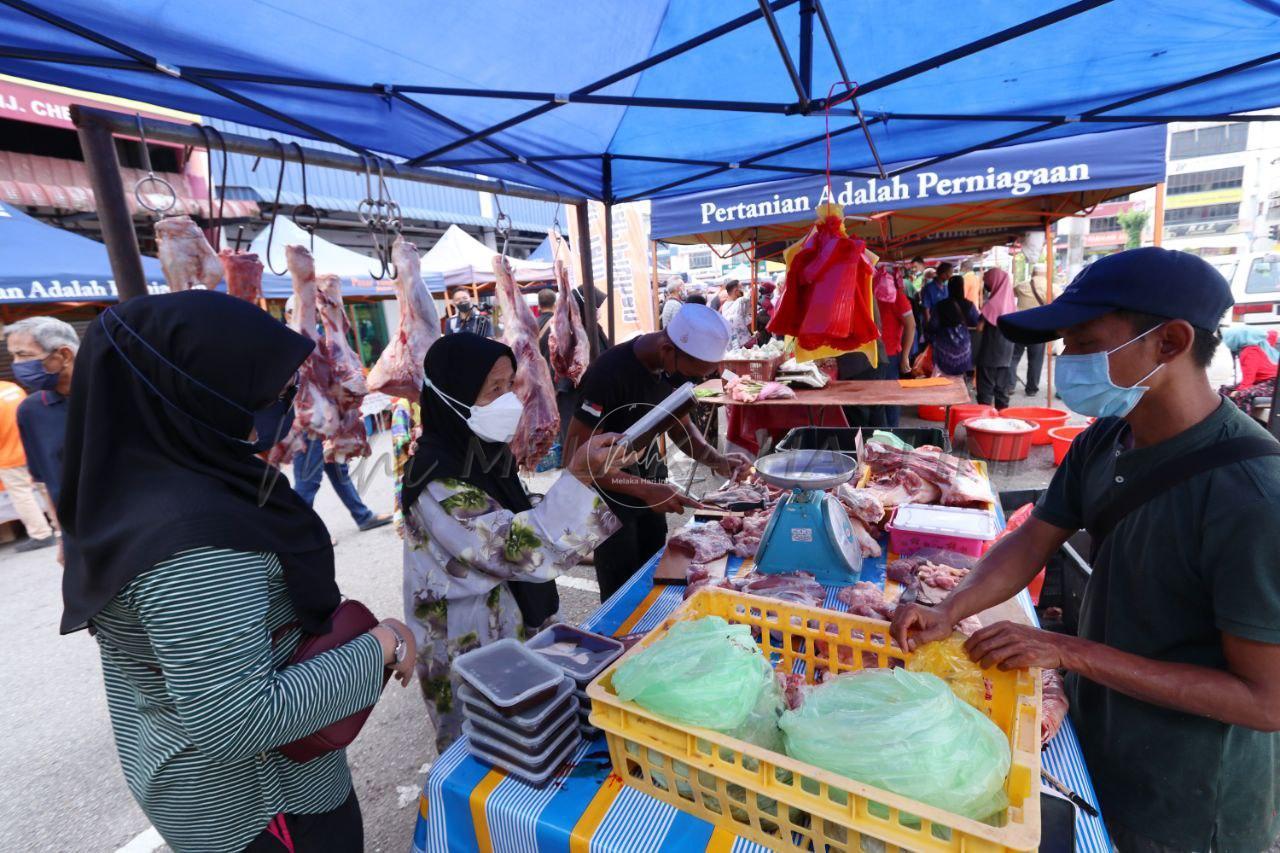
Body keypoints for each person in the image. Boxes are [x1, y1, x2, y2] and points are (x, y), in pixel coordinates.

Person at [892, 248, 1280, 853]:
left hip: (1190, 797)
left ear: (1171, 342)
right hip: (1104, 740)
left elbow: (1264, 700)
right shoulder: (1108, 438)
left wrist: (1066, 649)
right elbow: (1032, 538)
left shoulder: (1252, 497)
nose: (1066, 360)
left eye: (1084, 343)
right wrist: (952, 607)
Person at [60, 290, 416, 853]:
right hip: (257, 807)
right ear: (195, 393)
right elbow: (238, 720)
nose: (285, 409)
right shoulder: (194, 542)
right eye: (267, 394)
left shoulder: (133, 487)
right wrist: (386, 643)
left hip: (210, 783)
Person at [400, 333, 631, 751]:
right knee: (482, 741)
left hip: (512, 618)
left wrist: (579, 492)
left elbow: (515, 511)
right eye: (493, 390)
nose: (509, 400)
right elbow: (515, 547)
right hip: (466, 636)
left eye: (509, 386)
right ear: (453, 396)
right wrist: (578, 478)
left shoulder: (484, 452)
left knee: (530, 731)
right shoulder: (436, 477)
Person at [564, 303, 752, 600]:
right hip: (610, 501)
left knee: (656, 578)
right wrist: (644, 490)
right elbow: (574, 459)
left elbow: (679, 426)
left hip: (650, 488)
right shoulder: (608, 374)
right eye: (693, 373)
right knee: (621, 592)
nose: (693, 381)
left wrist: (717, 460)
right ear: (667, 348)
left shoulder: (672, 367)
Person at [284, 297, 391, 533]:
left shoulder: (317, 339)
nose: (308, 315)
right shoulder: (288, 343)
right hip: (308, 423)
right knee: (307, 481)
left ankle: (362, 516)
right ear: (288, 315)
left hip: (329, 420)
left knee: (339, 471)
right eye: (301, 311)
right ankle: (300, 532)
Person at [5, 316, 78, 508]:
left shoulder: (117, 393)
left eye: (23, 355)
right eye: (13, 356)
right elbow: (45, 481)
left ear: (64, 355)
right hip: (80, 531)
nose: (16, 365)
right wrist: (59, 529)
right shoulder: (30, 411)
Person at [0, 379, 55, 550]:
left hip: (8, 456)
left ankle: (41, 534)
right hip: (31, 447)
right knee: (46, 488)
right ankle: (61, 526)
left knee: (22, 495)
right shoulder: (12, 388)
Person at [873, 267, 917, 426]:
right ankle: (881, 437)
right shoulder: (873, 294)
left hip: (887, 356)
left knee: (887, 399)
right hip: (876, 355)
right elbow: (911, 325)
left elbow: (911, 326)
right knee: (880, 400)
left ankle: (890, 435)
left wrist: (905, 356)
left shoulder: (897, 297)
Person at [1004, 262, 1051, 396]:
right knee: (1035, 360)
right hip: (1039, 330)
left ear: (1033, 273)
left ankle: (1010, 385)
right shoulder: (1051, 287)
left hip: (1020, 327)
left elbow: (1012, 293)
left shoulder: (1022, 286)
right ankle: (1031, 389)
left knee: (1013, 357)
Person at [974, 268, 1017, 409]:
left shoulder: (991, 304)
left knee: (985, 387)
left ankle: (985, 418)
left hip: (990, 351)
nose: (986, 285)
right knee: (1001, 388)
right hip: (1006, 351)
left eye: (987, 281)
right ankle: (1002, 418)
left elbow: (979, 328)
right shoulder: (1012, 305)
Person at [925, 276, 981, 377]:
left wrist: (931, 339)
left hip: (943, 349)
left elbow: (932, 326)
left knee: (942, 379)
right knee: (959, 378)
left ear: (949, 288)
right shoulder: (969, 305)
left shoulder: (940, 305)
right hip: (963, 348)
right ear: (962, 287)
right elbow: (976, 322)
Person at [1219, 325, 1278, 418]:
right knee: (1224, 390)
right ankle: (1222, 417)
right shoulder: (1255, 347)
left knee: (1242, 395)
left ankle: (1240, 423)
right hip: (1264, 383)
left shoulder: (1250, 351)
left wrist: (1238, 391)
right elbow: (1272, 335)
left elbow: (1248, 378)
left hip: (1273, 384)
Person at [719, 280, 753, 348]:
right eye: (741, 288)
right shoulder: (739, 302)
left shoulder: (725, 306)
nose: (743, 290)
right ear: (736, 291)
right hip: (743, 343)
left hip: (733, 343)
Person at [920, 261, 953, 328]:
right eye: (950, 273)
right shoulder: (928, 288)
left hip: (943, 323)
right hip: (933, 324)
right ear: (943, 274)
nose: (951, 276)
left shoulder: (946, 287)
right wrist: (929, 326)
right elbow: (926, 310)